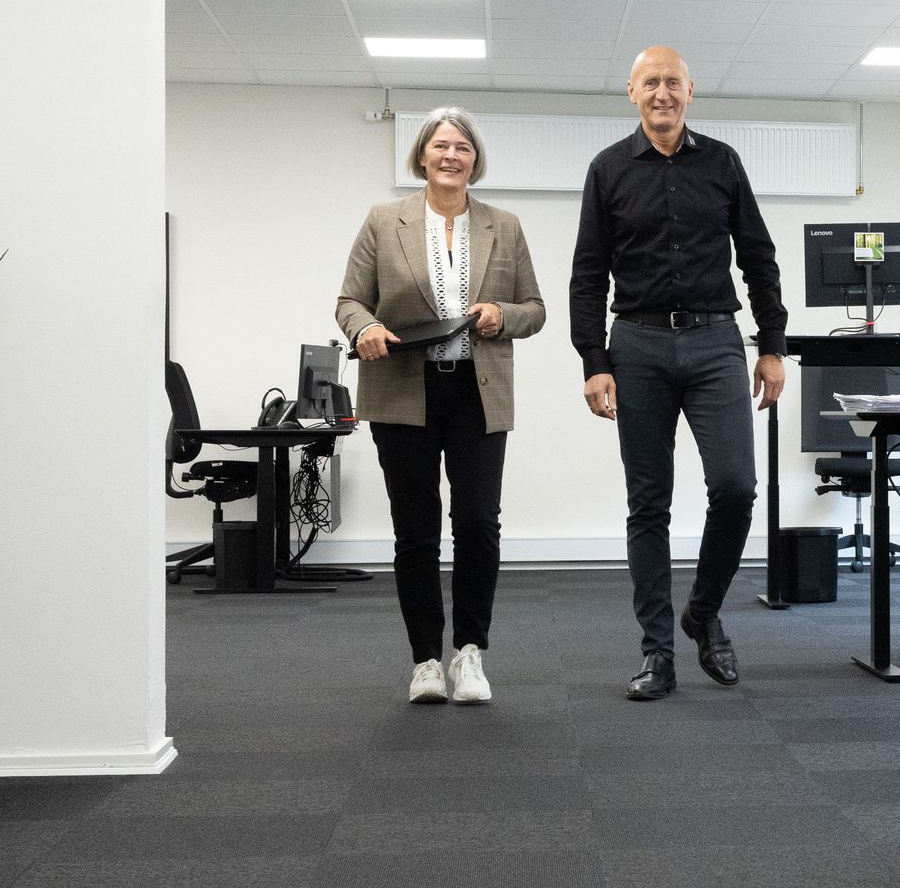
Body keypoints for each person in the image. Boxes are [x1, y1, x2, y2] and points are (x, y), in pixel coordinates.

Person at [570, 46, 788, 702]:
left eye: (672, 82)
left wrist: (771, 344)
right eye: (650, 83)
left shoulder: (721, 163)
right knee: (649, 504)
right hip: (635, 346)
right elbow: (587, 274)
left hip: (715, 340)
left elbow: (758, 256)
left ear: (690, 90)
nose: (662, 93)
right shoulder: (608, 169)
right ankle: (657, 653)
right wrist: (594, 362)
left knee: (736, 486)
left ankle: (703, 611)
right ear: (631, 93)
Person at [336, 107, 545, 705]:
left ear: (474, 160)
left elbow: (535, 307)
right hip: (404, 388)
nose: (451, 156)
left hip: (477, 392)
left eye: (463, 148)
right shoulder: (384, 221)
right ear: (421, 157)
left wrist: (505, 315)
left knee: (479, 523)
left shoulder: (503, 226)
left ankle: (470, 653)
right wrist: (365, 328)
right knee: (416, 530)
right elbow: (350, 300)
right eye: (440, 146)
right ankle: (426, 659)